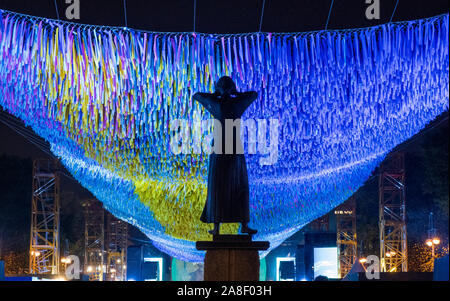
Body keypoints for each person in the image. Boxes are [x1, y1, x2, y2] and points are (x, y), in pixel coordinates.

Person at [193, 76, 258, 236]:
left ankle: (216, 227)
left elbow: (197, 95)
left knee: (217, 186)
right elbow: (253, 94)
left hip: (220, 148)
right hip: (234, 148)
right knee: (239, 185)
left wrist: (216, 95)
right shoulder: (237, 104)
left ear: (219, 88)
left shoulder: (216, 104)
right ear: (232, 87)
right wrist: (236, 94)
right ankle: (243, 225)